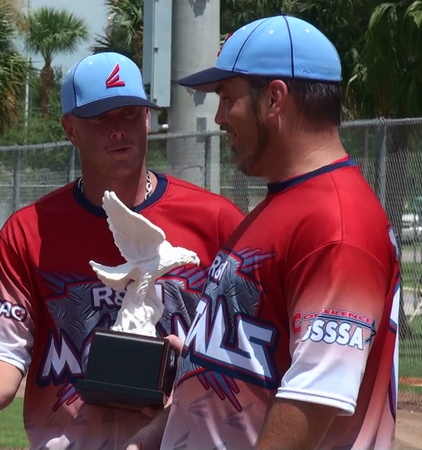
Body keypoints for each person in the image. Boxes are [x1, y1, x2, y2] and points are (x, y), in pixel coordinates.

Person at [0, 52, 245, 450]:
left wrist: (194, 375)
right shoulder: (31, 232)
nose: (118, 130)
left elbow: (247, 352)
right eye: (100, 118)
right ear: (70, 129)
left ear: (148, 119)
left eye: (130, 113)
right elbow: (2, 350)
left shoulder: (216, 221)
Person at [155, 15, 401, 450]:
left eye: (226, 97)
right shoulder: (282, 205)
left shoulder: (337, 225)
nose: (219, 117)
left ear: (274, 98)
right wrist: (202, 361)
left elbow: (312, 403)